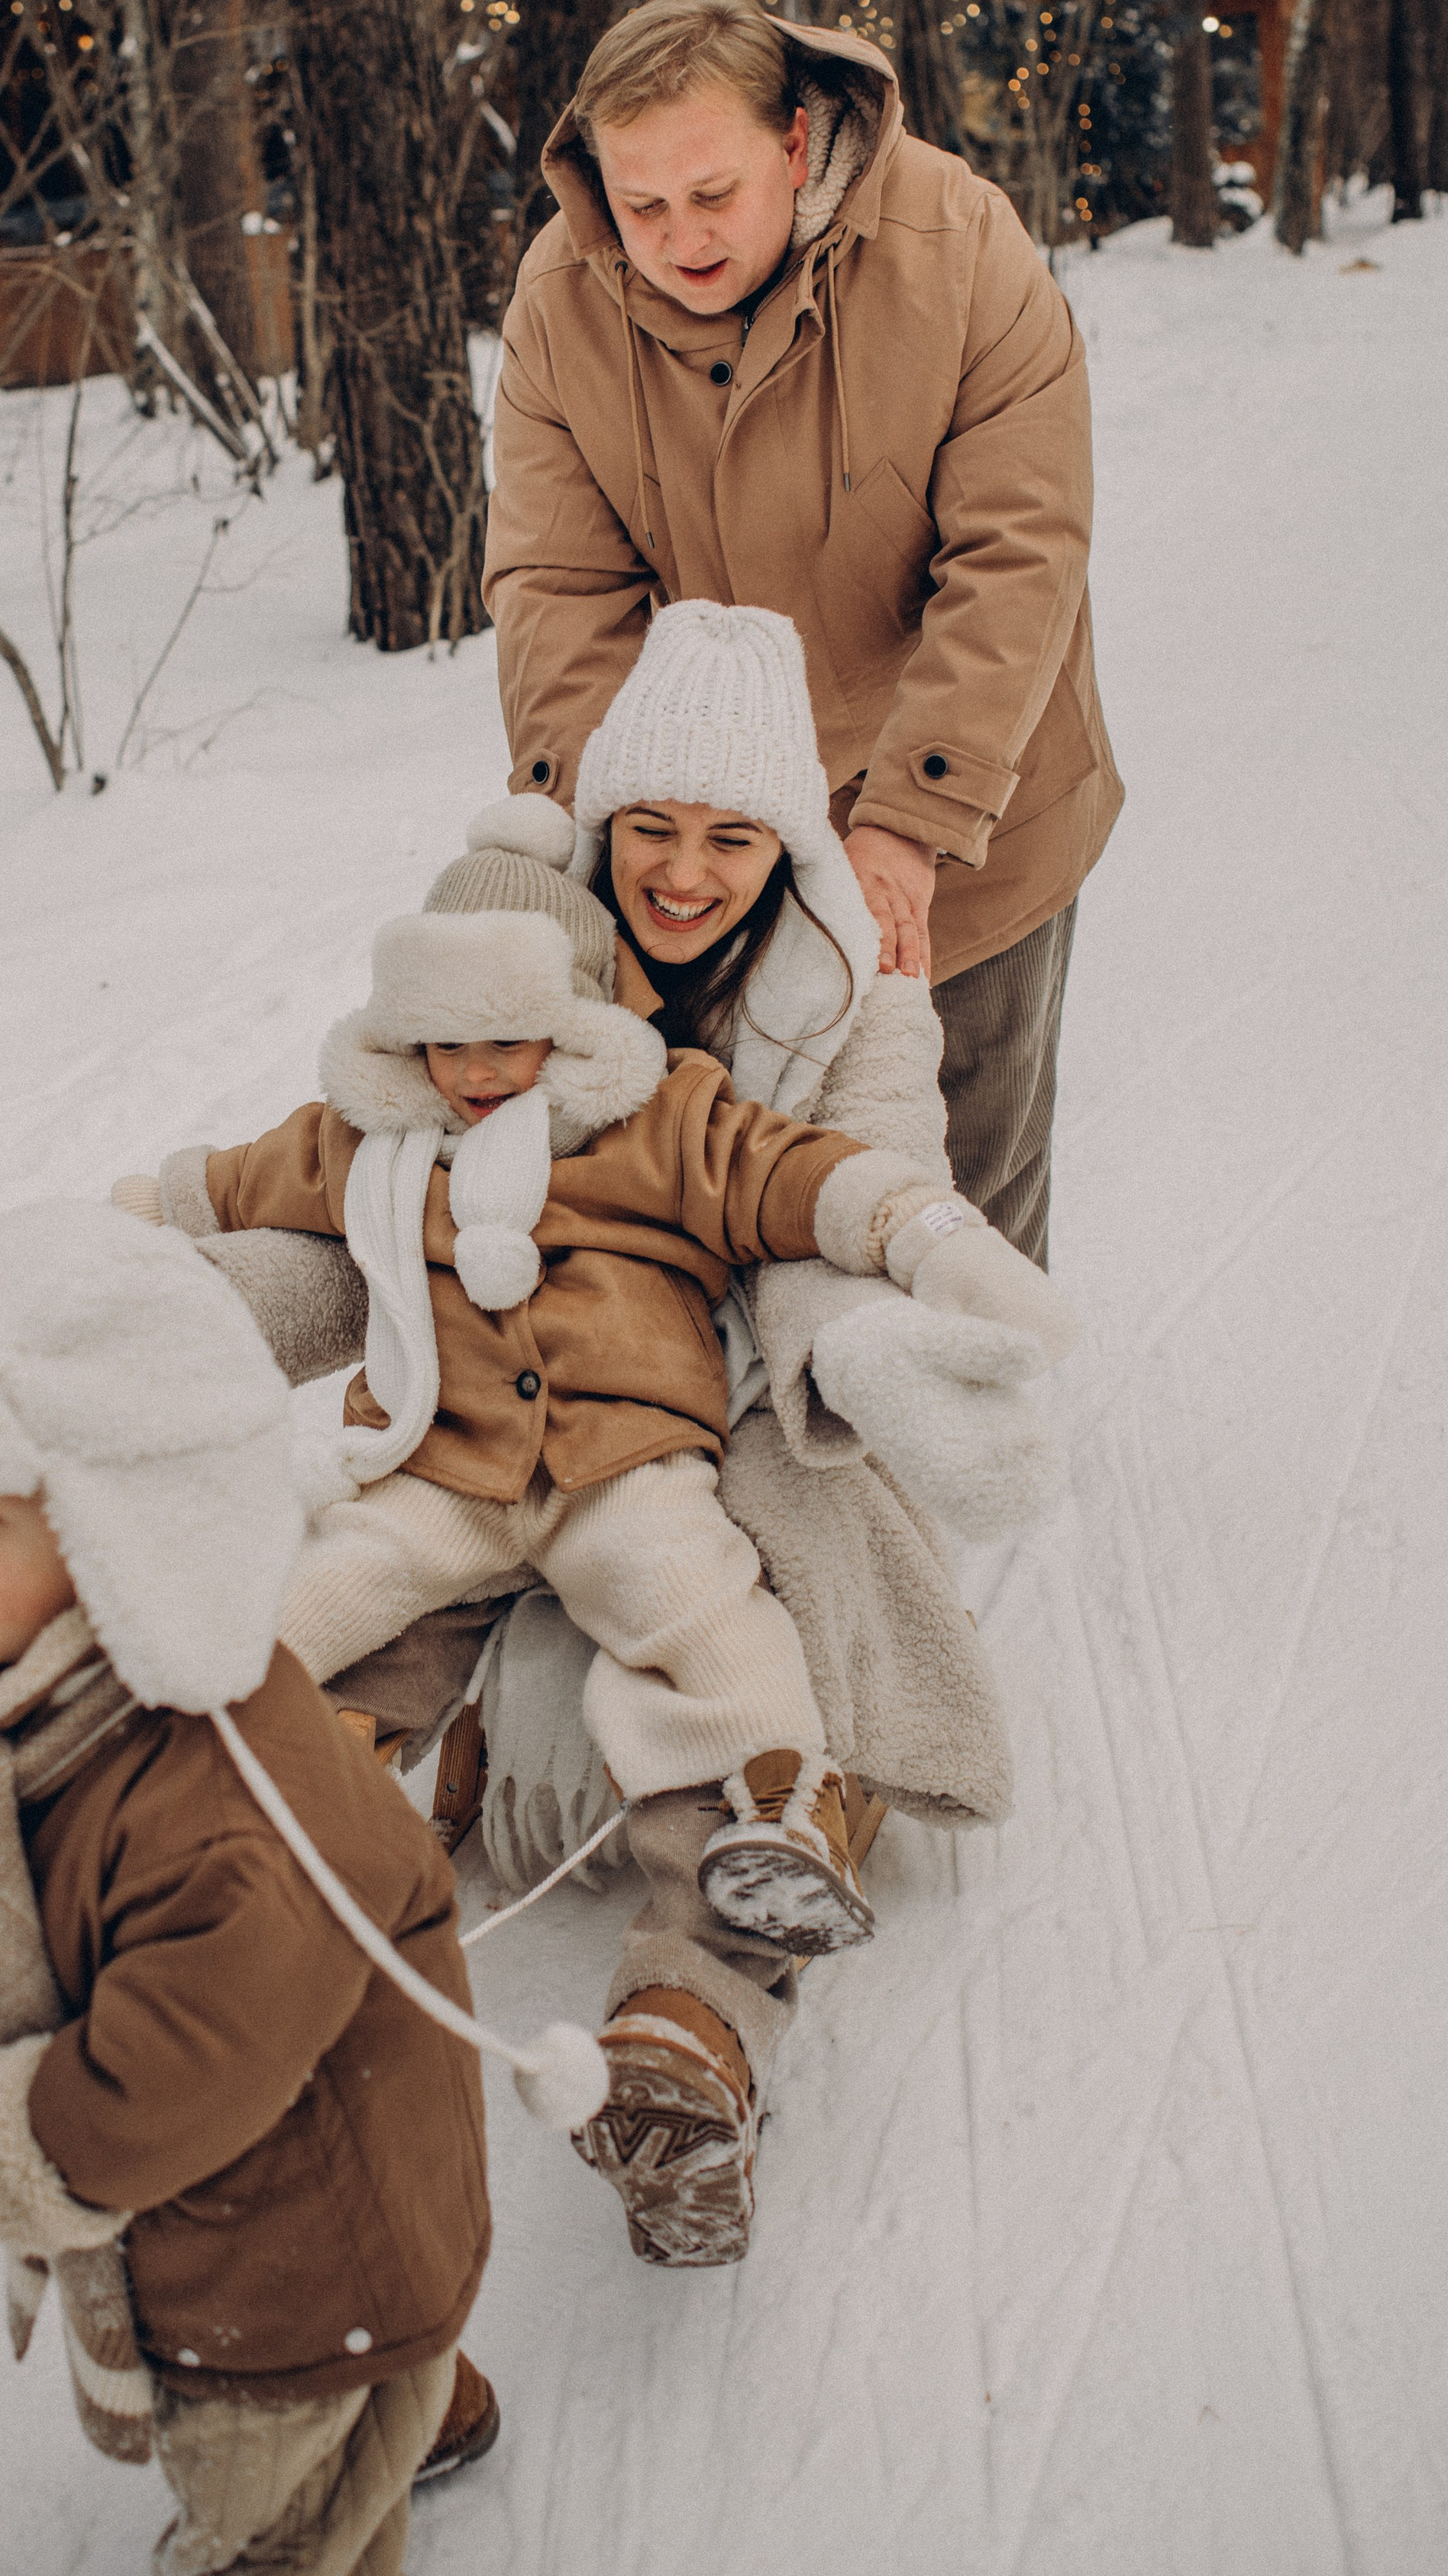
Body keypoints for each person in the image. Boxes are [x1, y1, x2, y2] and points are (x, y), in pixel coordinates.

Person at [120, 781, 1071, 2259]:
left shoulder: (659, 1113)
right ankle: (231, 1855)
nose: (487, 1071)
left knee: (703, 1621)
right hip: (440, 1466)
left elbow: (799, 1178)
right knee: (319, 1609)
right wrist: (110, 1240)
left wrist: (930, 1239)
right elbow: (226, 1182)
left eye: (520, 1037)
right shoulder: (367, 1140)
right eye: (454, 1039)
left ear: (576, 1024)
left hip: (630, 1462)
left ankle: (762, 1834)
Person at [0, 1202, 509, 2576]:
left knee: (275, 2522)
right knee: (354, 2417)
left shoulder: (228, 1817)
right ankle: (409, 2401)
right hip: (232, 2218)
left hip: (292, 2261)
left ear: (115, 1526)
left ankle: (371, 2398)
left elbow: (177, 2070)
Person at [484, 0, 1124, 1266]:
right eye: (642, 204)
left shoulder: (958, 246)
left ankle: (971, 1444)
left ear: (792, 145)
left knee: (953, 1186)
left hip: (973, 802)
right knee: (719, 1174)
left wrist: (915, 815)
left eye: (712, 193)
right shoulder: (563, 298)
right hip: (717, 821)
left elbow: (1018, 550)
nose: (676, 238)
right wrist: (589, 841)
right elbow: (560, 589)